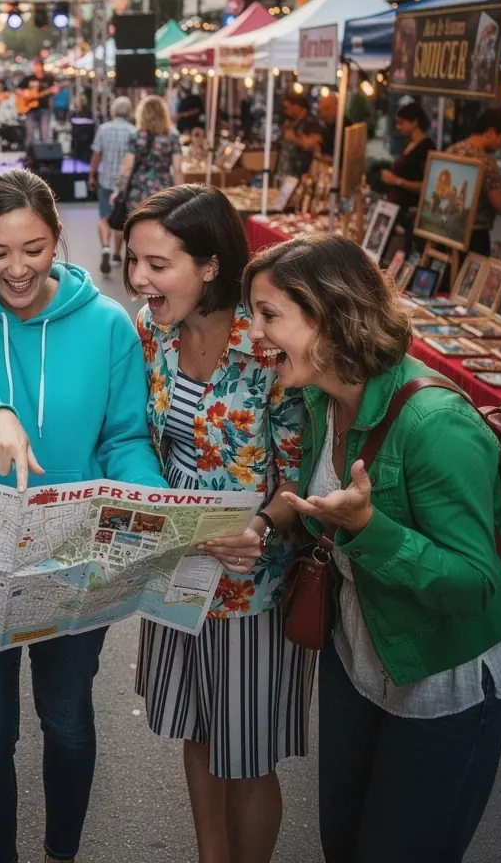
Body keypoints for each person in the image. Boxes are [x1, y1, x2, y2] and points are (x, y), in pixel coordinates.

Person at [0, 169, 165, 863]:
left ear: (58, 239)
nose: (16, 269)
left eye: (34, 249)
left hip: (75, 555)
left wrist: (152, 503)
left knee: (69, 720)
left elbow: (125, 437)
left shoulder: (107, 323)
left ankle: (60, 852)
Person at [244, 233, 501, 862]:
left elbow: (476, 584)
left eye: (269, 315)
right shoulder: (320, 398)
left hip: (441, 682)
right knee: (342, 840)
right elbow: (316, 506)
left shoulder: (436, 423)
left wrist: (369, 529)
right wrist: (268, 524)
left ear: (329, 316)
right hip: (358, 655)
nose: (254, 333)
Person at [124, 186, 313, 863]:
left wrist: (260, 527)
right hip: (174, 568)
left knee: (249, 755)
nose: (138, 279)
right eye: (133, 261)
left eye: (157, 264)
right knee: (198, 731)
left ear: (210, 265)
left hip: (249, 582)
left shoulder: (267, 349)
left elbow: (299, 478)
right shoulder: (150, 332)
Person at [447, 106, 501, 256]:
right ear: (490, 132)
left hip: (446, 230)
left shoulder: (452, 150)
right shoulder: (485, 161)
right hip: (473, 237)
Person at [89, 95, 137, 275]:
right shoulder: (134, 131)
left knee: (104, 216)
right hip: (125, 183)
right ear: (130, 112)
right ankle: (117, 254)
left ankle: (105, 247)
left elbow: (96, 154)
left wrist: (91, 174)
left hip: (106, 180)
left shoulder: (103, 129)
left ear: (113, 110)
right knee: (120, 218)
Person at [111, 95, 180, 216]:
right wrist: (182, 195)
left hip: (139, 191)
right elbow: (178, 169)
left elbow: (127, 167)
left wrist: (118, 191)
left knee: (137, 223)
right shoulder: (172, 137)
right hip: (163, 191)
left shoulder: (136, 136)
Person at [381, 101, 436, 243]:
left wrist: (397, 181)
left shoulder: (427, 147)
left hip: (410, 211)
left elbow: (428, 185)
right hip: (396, 207)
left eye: (401, 123)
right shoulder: (410, 144)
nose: (398, 127)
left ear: (415, 122)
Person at [16, 58, 56, 145]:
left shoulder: (49, 78)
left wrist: (54, 91)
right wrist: (25, 93)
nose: (37, 68)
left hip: (44, 108)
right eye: (36, 66)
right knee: (30, 134)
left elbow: (54, 89)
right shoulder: (29, 78)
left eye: (38, 66)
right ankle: (30, 152)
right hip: (30, 109)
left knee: (44, 134)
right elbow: (18, 90)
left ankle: (43, 152)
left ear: (42, 66)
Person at [317, 91, 352, 161]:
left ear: (338, 107)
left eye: (327, 108)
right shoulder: (326, 126)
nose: (323, 114)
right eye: (321, 110)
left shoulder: (347, 128)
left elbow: (344, 158)